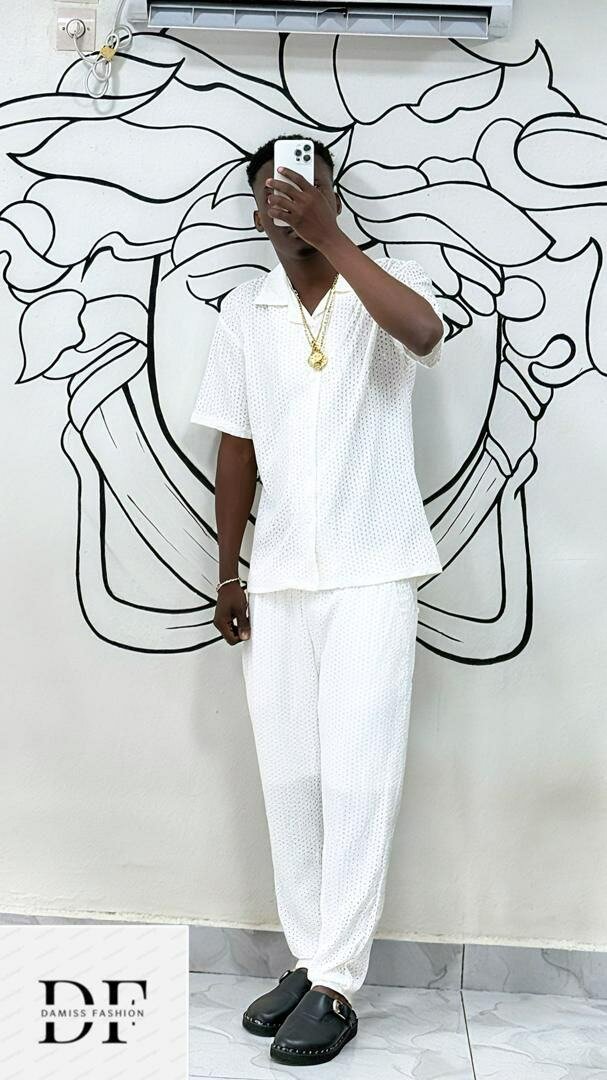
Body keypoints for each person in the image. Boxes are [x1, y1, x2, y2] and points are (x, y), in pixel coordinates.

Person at [190, 133, 445, 1066]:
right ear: (256, 209)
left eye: (302, 186)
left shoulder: (381, 285)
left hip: (373, 571)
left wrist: (331, 237)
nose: (286, 201)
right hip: (280, 578)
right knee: (290, 778)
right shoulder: (245, 310)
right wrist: (229, 570)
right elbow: (237, 444)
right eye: (271, 191)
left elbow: (424, 335)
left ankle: (338, 979)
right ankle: (308, 956)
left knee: (358, 775)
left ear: (329, 196)